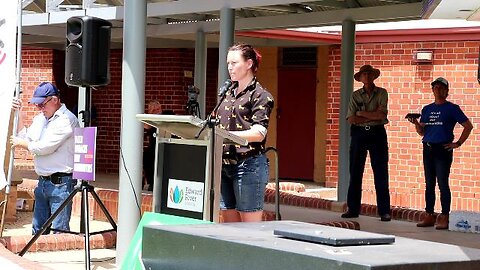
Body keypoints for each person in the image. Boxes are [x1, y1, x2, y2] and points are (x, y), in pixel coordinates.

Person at [10, 82, 79, 234]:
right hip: (43, 182)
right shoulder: (42, 118)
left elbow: (44, 147)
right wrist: (19, 113)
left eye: (42, 104)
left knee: (59, 231)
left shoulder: (67, 119)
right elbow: (27, 136)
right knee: (38, 230)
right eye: (37, 105)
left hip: (61, 184)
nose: (39, 108)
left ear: (54, 100)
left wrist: (22, 143)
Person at [217, 43, 274, 222]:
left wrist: (227, 136)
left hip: (248, 165)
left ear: (249, 64)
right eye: (228, 63)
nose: (230, 67)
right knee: (229, 225)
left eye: (234, 63)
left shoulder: (260, 95)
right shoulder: (227, 93)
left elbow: (259, 132)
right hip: (224, 164)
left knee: (250, 229)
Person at [408, 77, 473, 230]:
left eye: (441, 88)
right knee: (429, 183)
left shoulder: (452, 108)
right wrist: (416, 123)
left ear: (446, 91)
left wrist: (457, 143)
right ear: (432, 90)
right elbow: (422, 131)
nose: (438, 90)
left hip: (443, 149)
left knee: (442, 183)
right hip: (428, 148)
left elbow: (468, 126)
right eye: (435, 87)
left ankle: (444, 216)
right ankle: (429, 215)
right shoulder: (427, 109)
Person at [341, 64, 391, 222]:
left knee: (381, 172)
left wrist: (362, 113)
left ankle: (384, 211)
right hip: (359, 134)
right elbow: (351, 118)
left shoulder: (382, 93)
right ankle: (353, 209)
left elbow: (382, 116)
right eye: (364, 74)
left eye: (370, 74)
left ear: (374, 76)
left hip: (377, 133)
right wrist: (372, 115)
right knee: (355, 171)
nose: (367, 77)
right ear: (360, 78)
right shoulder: (355, 95)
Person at [143, 100, 162, 191]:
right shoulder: (150, 119)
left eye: (159, 109)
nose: (158, 111)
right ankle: (151, 182)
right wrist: (151, 115)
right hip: (153, 146)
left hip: (164, 144)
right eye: (155, 110)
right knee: (147, 156)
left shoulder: (166, 114)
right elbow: (146, 127)